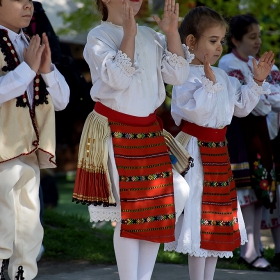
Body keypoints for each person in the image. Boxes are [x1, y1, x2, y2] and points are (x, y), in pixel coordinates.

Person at [72, 0, 192, 279]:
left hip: (149, 133)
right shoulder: (98, 36)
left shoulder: (152, 36)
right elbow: (118, 79)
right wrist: (128, 34)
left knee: (171, 197)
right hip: (116, 132)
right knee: (132, 211)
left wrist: (173, 33)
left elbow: (179, 74)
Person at [164, 6, 275, 280]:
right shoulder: (184, 77)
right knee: (197, 219)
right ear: (191, 42)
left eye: (221, 42)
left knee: (216, 220)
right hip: (195, 153)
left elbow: (241, 108)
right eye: (212, 41)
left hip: (218, 153)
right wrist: (208, 87)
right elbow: (193, 113)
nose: (218, 48)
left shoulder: (223, 77)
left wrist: (257, 81)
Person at [0, 0, 70, 279]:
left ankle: (23, 274)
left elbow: (62, 100)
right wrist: (28, 69)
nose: (28, 6)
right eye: (19, 0)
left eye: (31, 1)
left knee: (29, 219)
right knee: (2, 217)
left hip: (29, 149)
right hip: (3, 148)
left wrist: (46, 69)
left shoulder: (33, 43)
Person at [218, 14, 280, 270]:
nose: (257, 42)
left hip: (266, 136)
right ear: (235, 39)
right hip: (241, 134)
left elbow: (273, 96)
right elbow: (252, 104)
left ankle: (263, 249)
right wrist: (263, 96)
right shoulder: (227, 63)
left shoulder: (266, 65)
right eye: (251, 37)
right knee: (248, 192)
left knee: (265, 189)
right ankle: (249, 250)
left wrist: (262, 95)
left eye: (259, 36)